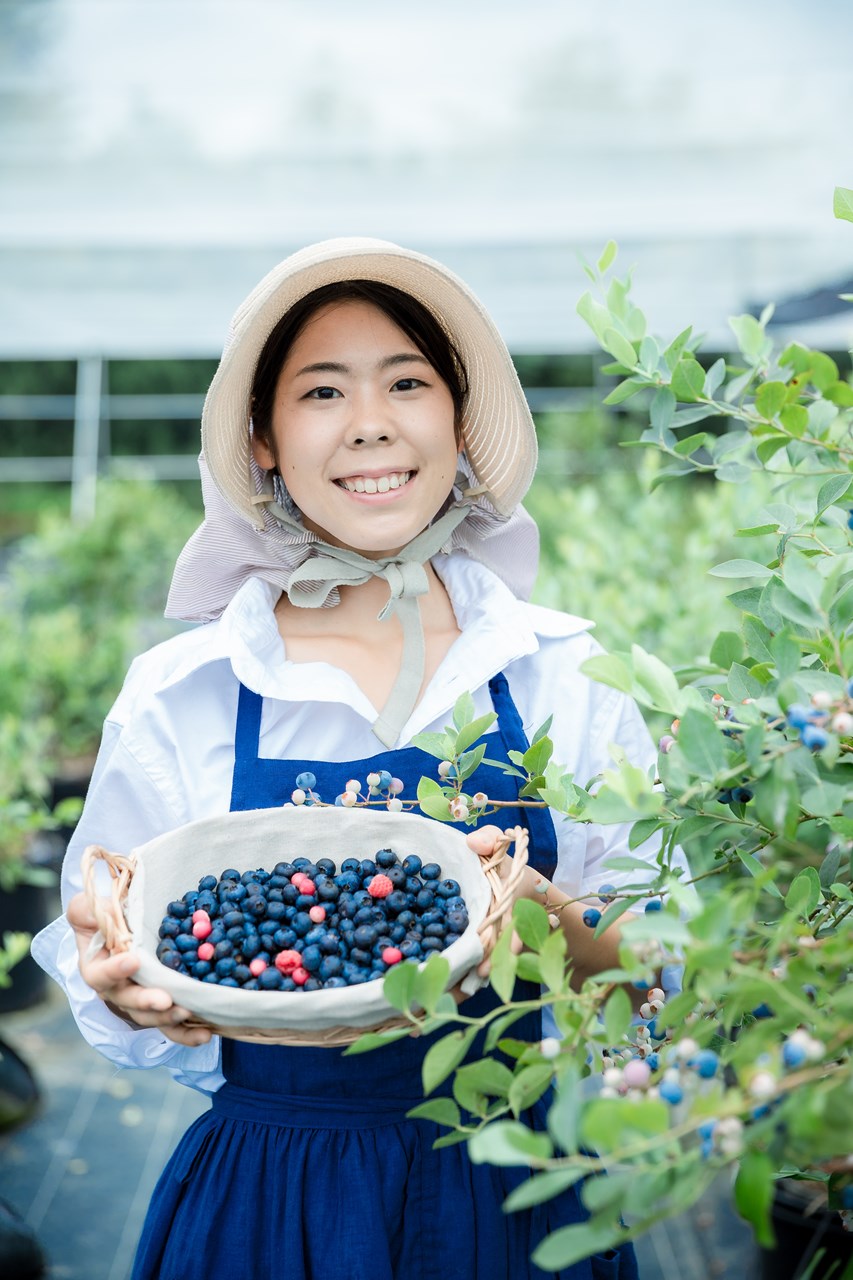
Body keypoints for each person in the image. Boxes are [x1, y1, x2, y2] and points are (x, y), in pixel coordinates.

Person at [31, 238, 664, 1279]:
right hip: (273, 1199)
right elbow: (100, 933)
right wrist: (120, 979)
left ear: (455, 423)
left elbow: (663, 960)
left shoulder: (565, 669)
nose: (371, 419)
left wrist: (536, 913)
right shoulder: (186, 690)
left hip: (518, 1180)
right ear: (265, 440)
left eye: (407, 381)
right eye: (322, 390)